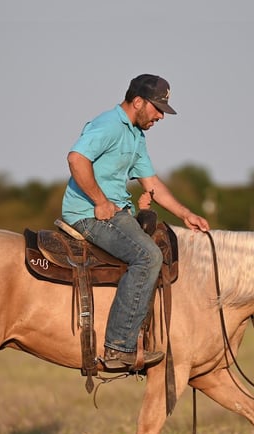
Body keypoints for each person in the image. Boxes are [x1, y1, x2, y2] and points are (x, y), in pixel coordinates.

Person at [62, 73, 210, 372]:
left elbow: (151, 181)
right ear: (138, 101)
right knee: (147, 256)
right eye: (157, 108)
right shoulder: (108, 125)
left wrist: (185, 214)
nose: (160, 116)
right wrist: (100, 202)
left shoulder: (135, 135)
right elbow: (77, 158)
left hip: (117, 214)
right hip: (88, 214)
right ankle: (118, 348)